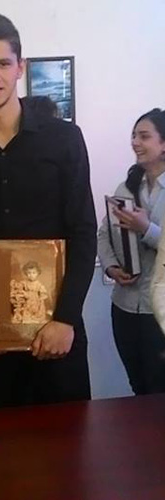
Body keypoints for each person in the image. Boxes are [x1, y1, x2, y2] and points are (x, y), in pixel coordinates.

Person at [0, 13, 97, 409]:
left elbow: (83, 231)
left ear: (20, 67)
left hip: (57, 326)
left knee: (69, 439)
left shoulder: (65, 139)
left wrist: (66, 319)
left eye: (3, 63)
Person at [98, 108, 165, 395]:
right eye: (134, 136)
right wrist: (111, 267)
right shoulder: (125, 187)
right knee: (138, 387)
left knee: (159, 390)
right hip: (125, 307)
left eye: (144, 136)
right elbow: (104, 233)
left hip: (159, 311)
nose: (135, 142)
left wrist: (146, 228)